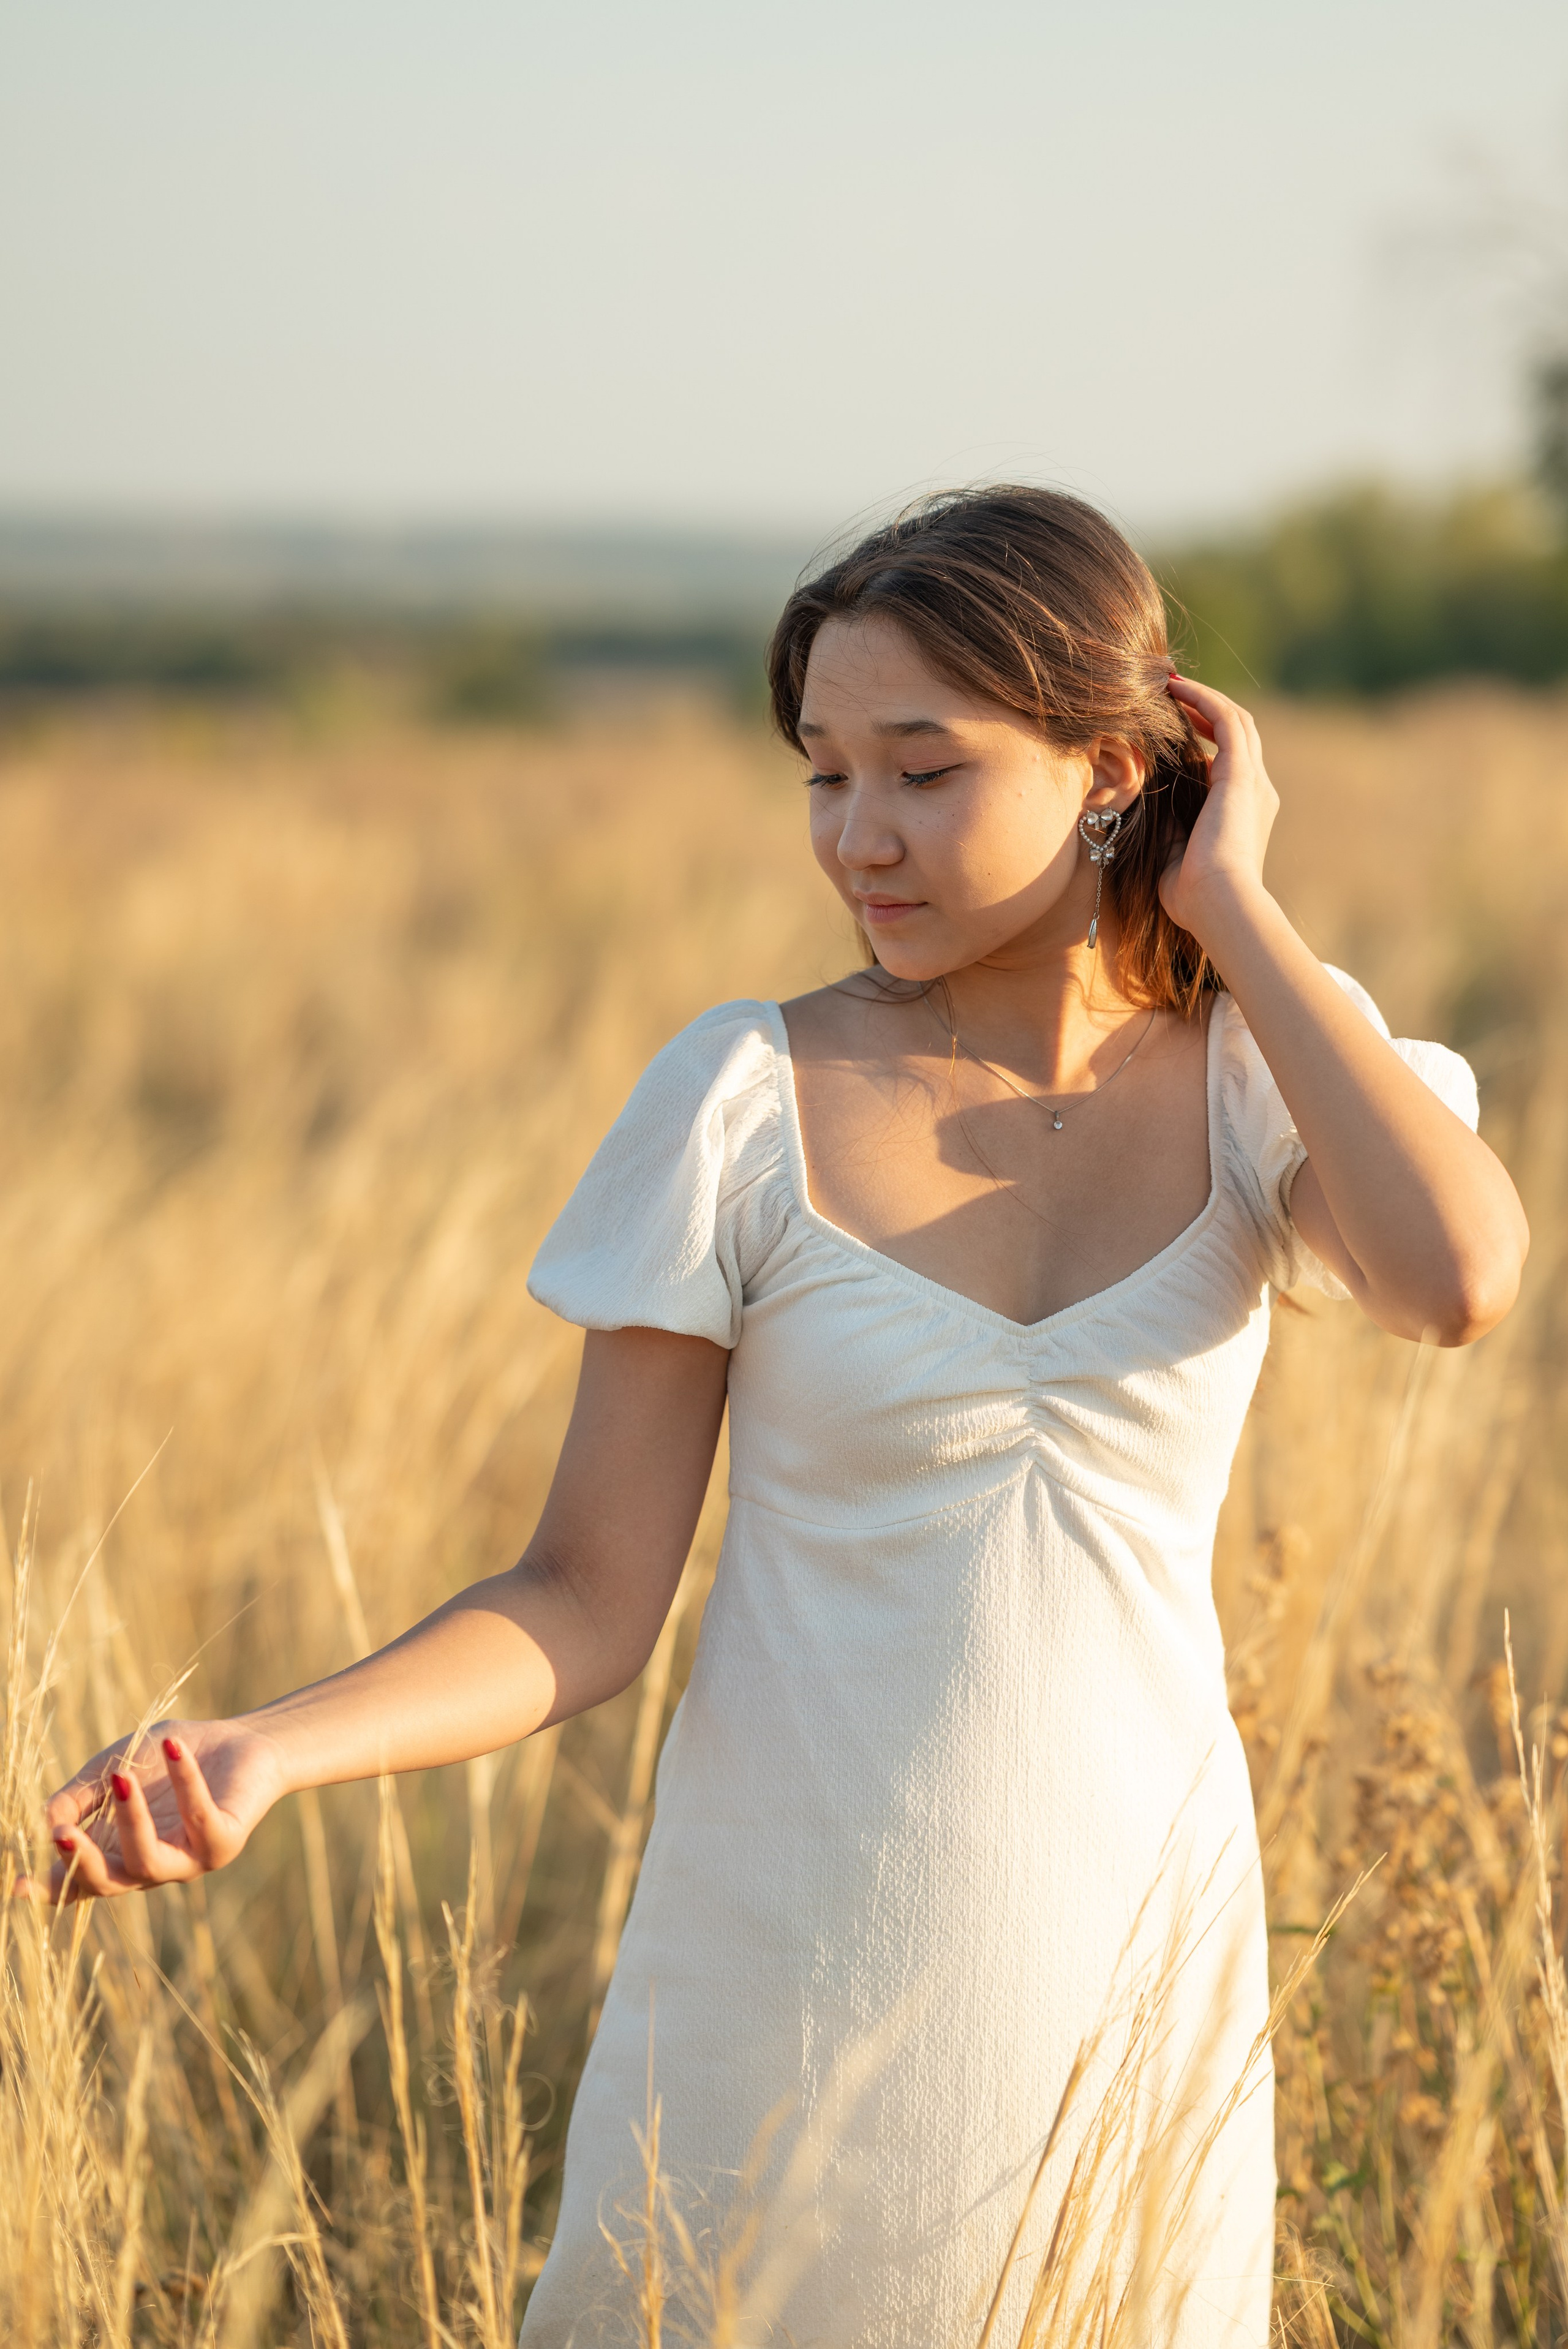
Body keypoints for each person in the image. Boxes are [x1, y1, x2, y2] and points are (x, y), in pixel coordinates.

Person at [32, 489, 1527, 2347]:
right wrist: (273, 1748)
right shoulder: (742, 1092)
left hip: (1132, 1993)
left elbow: (1458, 1281)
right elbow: (581, 1593)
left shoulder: (1258, 1076)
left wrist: (1237, 905)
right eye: (823, 772)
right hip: (779, 1992)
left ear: (1115, 770)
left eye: (923, 768)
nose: (858, 837)